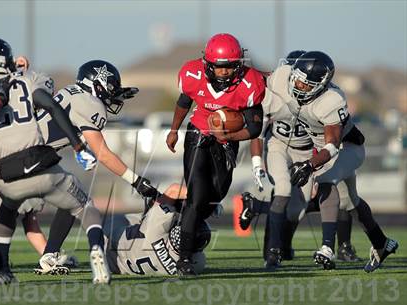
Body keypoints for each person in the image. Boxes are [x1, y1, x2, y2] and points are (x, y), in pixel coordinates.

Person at [0, 37, 107, 284]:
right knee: (85, 207)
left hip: (7, 175)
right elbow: (52, 104)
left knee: (5, 214)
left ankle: (1, 268)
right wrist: (78, 146)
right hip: (41, 165)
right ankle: (97, 248)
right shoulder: (29, 80)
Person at [267, 50, 397, 271]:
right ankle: (382, 243)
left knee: (327, 180)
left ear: (321, 85)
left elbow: (332, 145)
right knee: (350, 202)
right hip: (321, 149)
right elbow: (260, 80)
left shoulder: (331, 100)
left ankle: (327, 247)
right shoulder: (282, 75)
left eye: (305, 85)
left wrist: (309, 165)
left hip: (345, 148)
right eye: (296, 80)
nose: (298, 86)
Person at [28, 59, 158, 274]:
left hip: (24, 154)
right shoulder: (90, 103)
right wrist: (136, 181)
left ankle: (48, 254)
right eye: (110, 88)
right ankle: (61, 253)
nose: (113, 94)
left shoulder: (72, 92)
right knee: (78, 200)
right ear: (96, 84)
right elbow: (104, 154)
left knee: (61, 200)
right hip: (33, 158)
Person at [166, 33, 265, 275]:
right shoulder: (193, 74)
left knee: (217, 192)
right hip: (198, 134)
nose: (225, 72)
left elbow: (254, 128)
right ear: (208, 64)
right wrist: (174, 130)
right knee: (197, 195)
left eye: (231, 66)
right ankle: (184, 258)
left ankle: (189, 220)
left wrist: (228, 136)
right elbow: (183, 101)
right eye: (220, 67)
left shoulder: (250, 83)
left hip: (226, 142)